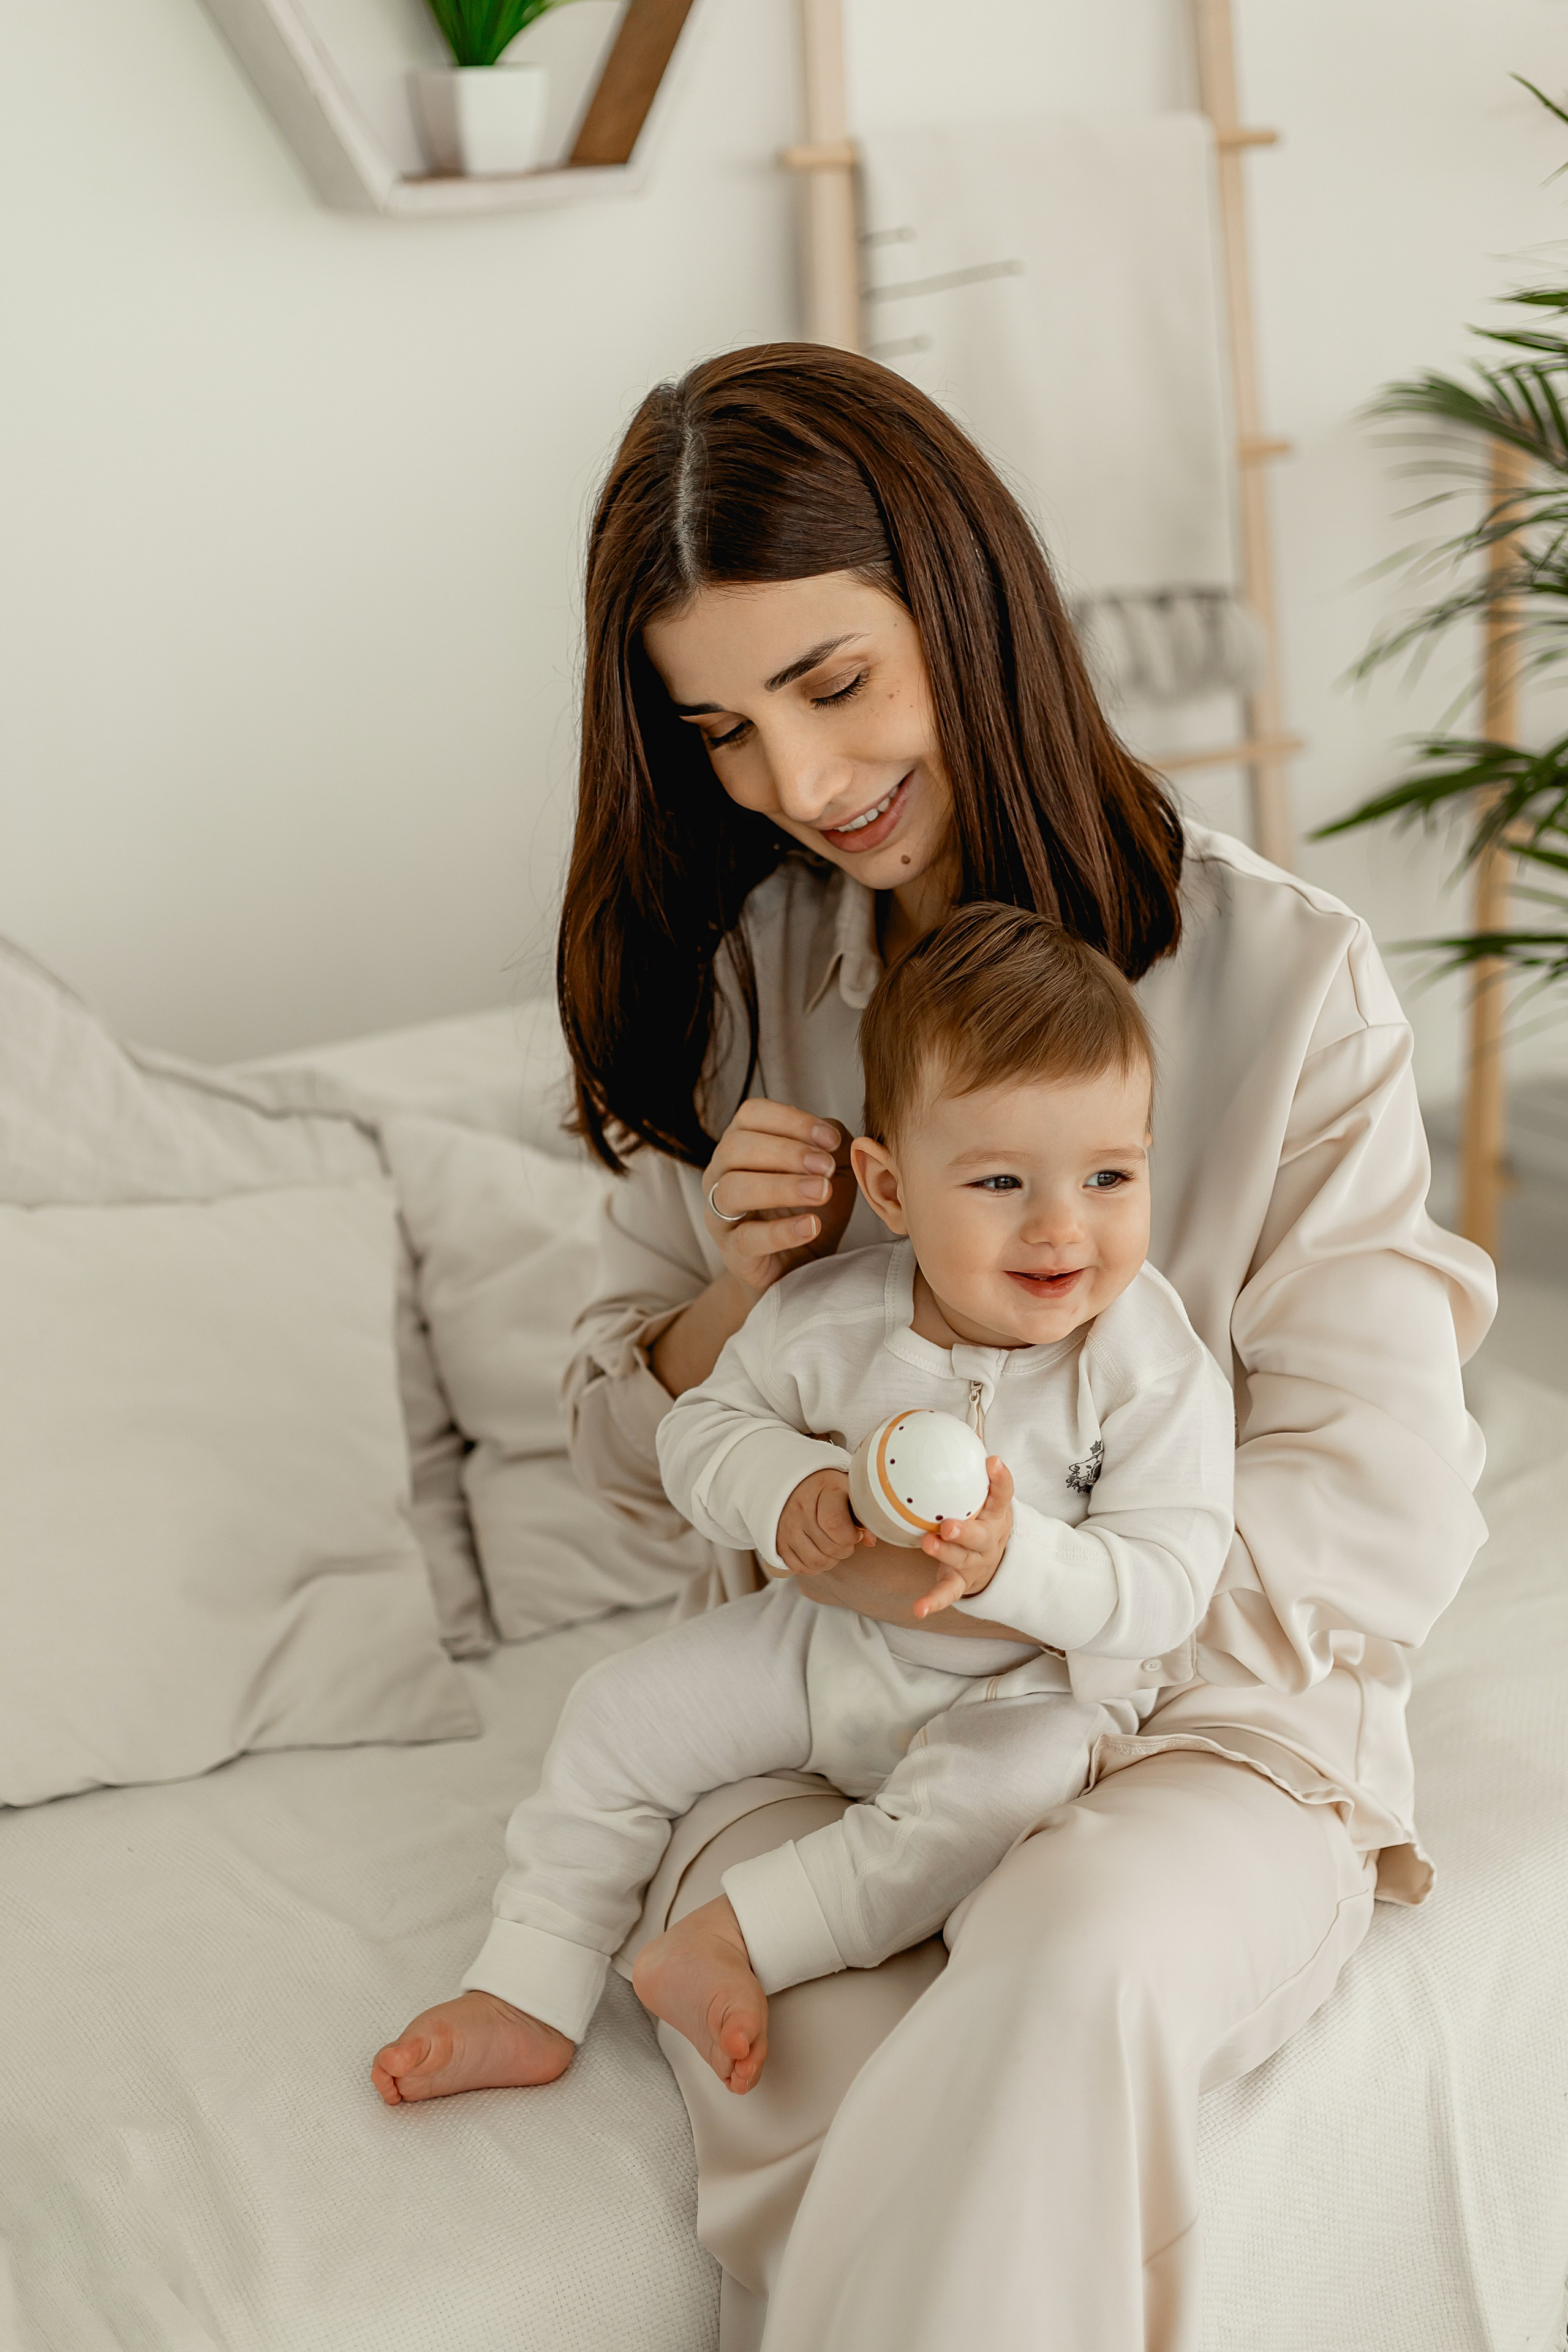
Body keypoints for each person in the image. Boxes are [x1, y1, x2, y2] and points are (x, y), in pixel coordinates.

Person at [399, 344, 1498, 2351]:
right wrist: (739, 1294)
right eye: (723, 729)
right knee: (803, 2055)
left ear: (966, 603)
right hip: (821, 1713)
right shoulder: (750, 986)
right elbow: (622, 1445)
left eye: (832, 685)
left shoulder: (1287, 979)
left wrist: (1049, 1657)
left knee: (1074, 1957)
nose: (801, 787)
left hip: (1208, 1717)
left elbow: (1377, 1503)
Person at [371, 906, 1235, 2104]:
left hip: (1018, 1683)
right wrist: (791, 1492)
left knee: (996, 1803)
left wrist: (1010, 1561)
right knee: (613, 1714)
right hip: (823, 1639)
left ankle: (735, 1940)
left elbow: (1166, 1583)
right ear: (887, 1184)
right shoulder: (830, 1318)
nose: (1059, 1226)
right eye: (997, 1180)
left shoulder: (1149, 1364)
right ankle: (527, 1978)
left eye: (1108, 1176)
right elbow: (701, 1434)